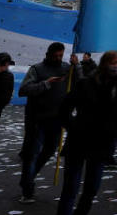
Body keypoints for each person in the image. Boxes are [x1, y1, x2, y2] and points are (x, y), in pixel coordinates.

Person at [53, 51, 117, 215]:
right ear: (104, 64)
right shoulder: (86, 84)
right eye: (113, 62)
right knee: (71, 189)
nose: (116, 66)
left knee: (92, 187)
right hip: (80, 141)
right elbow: (65, 108)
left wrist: (116, 130)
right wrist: (73, 127)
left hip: (102, 144)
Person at [18, 42, 80, 203]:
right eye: (56, 55)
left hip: (57, 118)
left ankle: (28, 178)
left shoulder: (67, 68)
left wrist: (77, 66)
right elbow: (23, 90)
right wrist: (46, 84)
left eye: (61, 55)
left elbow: (81, 84)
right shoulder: (37, 69)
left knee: (49, 151)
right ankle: (27, 188)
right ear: (48, 54)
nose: (58, 58)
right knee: (32, 154)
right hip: (37, 119)